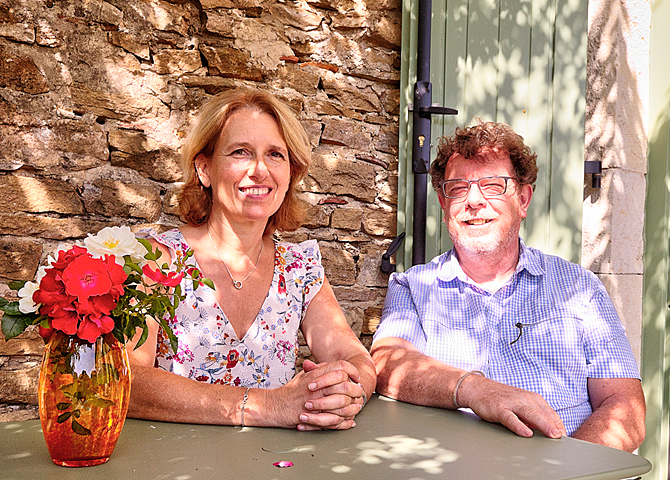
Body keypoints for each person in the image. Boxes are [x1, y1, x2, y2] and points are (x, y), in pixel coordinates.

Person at [370, 121, 645, 452]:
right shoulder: (413, 287)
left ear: (523, 199)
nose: (474, 200)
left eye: (493, 185)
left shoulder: (580, 289)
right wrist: (476, 390)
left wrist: (563, 474)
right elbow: (387, 364)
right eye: (457, 188)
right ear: (444, 206)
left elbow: (625, 409)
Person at [128, 88, 375, 431]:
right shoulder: (158, 261)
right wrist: (267, 406)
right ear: (204, 169)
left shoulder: (299, 268)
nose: (260, 170)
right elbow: (128, 380)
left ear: (289, 174)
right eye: (240, 152)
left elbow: (354, 358)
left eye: (275, 154)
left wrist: (346, 393)